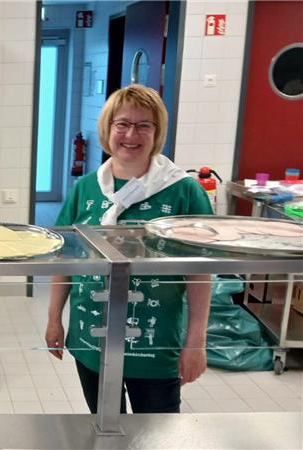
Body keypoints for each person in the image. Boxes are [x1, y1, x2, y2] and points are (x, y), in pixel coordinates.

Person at [45, 84, 212, 414]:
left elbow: (199, 273)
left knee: (157, 435)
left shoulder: (183, 192)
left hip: (155, 341)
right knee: (105, 429)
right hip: (93, 337)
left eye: (143, 125)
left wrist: (196, 342)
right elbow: (65, 258)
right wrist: (53, 319)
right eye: (122, 124)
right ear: (108, 129)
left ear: (157, 132)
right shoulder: (87, 188)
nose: (130, 134)